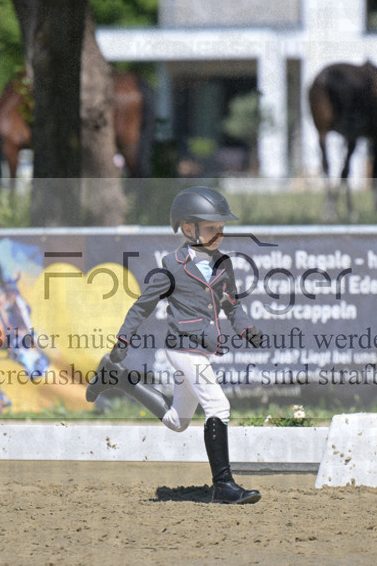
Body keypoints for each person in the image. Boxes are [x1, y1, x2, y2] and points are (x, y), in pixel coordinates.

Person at [86, 186, 266, 504]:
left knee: (177, 422)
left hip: (201, 348)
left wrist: (247, 328)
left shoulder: (224, 264)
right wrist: (123, 339)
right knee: (219, 407)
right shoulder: (171, 266)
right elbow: (142, 306)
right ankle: (223, 484)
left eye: (221, 229)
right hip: (182, 348)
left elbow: (232, 305)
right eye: (212, 228)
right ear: (188, 228)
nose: (219, 235)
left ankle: (118, 378)